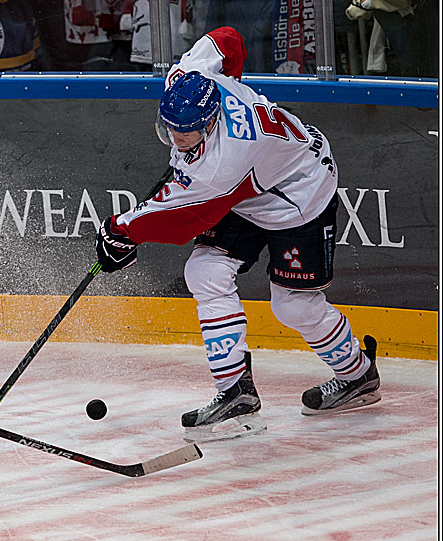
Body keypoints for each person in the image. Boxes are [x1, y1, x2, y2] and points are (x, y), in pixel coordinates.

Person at [94, 26, 381, 443]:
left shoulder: (222, 164)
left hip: (299, 192)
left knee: (293, 306)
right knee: (206, 272)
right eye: (170, 129)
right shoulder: (189, 76)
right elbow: (227, 38)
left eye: (186, 133)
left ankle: (357, 375)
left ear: (210, 123)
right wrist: (235, 75)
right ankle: (236, 393)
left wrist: (119, 232)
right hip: (251, 187)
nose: (176, 140)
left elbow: (181, 219)